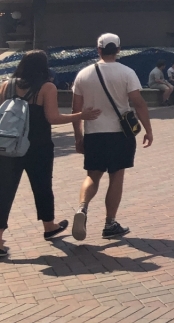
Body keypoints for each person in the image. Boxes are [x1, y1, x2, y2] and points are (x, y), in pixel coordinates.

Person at [0, 51, 101, 257]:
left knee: (5, 191)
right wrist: (82, 115)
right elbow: (53, 118)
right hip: (38, 146)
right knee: (43, 187)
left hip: (8, 146)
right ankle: (49, 226)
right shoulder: (47, 87)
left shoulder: (5, 85)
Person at [70, 33, 154, 241]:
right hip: (120, 134)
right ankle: (110, 223)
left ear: (98, 49)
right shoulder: (126, 73)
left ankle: (82, 208)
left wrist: (78, 137)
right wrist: (148, 130)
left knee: (93, 175)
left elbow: (75, 109)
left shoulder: (84, 74)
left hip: (94, 133)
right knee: (116, 176)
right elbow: (138, 103)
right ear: (117, 49)